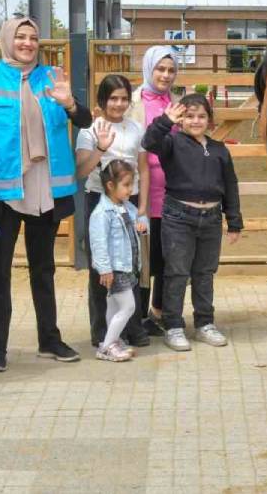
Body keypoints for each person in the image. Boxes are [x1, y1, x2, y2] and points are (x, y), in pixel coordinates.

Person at [0, 16, 92, 372]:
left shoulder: (53, 76)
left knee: (44, 268)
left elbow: (84, 119)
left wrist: (69, 103)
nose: (27, 43)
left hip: (46, 188)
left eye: (33, 37)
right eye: (20, 36)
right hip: (3, 192)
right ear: (7, 40)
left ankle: (49, 339)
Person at [142, 94, 243, 351]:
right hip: (178, 217)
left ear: (209, 120)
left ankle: (204, 323)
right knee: (176, 272)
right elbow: (148, 141)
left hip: (210, 219)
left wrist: (234, 220)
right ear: (181, 119)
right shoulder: (171, 143)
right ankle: (173, 325)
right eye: (189, 116)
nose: (195, 121)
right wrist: (166, 120)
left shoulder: (220, 149)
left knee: (204, 273)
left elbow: (230, 185)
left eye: (201, 116)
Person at [77, 74, 150, 349]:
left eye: (123, 98)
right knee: (102, 265)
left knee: (130, 261)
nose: (118, 104)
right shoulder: (90, 129)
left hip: (128, 202)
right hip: (100, 201)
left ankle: (133, 327)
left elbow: (143, 169)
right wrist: (100, 149)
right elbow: (81, 170)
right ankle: (101, 331)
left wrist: (141, 209)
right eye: (112, 98)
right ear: (102, 100)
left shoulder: (136, 129)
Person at [137, 46, 179, 336]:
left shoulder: (177, 103)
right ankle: (138, 316)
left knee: (167, 258)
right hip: (141, 193)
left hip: (172, 194)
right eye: (160, 69)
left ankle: (160, 311)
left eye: (171, 70)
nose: (165, 75)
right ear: (149, 69)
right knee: (142, 259)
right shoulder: (133, 101)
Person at [89, 160, 149, 363]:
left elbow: (140, 218)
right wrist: (104, 269)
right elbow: (98, 244)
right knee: (128, 307)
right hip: (115, 269)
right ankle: (106, 347)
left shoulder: (126, 206)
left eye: (131, 185)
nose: (130, 190)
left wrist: (143, 225)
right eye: (126, 185)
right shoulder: (101, 214)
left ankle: (111, 341)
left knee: (114, 308)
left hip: (128, 267)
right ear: (110, 186)